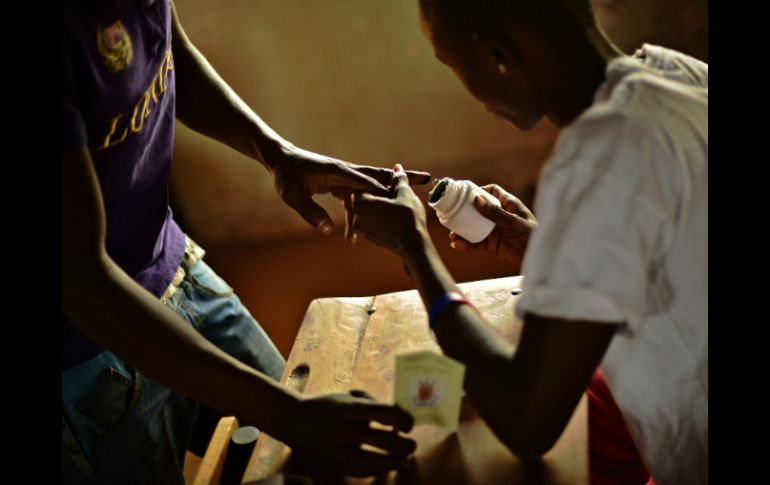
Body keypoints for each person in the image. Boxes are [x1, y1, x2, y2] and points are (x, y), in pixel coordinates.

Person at [62, 0, 429, 482]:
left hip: (174, 266)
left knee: (305, 446)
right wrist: (288, 415)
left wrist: (278, 154)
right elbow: (84, 287)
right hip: (92, 349)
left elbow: (171, 53)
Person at [345, 0, 707, 483]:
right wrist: (546, 246)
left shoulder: (597, 161)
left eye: (453, 65)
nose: (467, 90)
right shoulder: (678, 73)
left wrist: (414, 247)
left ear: (497, 53)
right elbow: (670, 252)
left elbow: (526, 421)